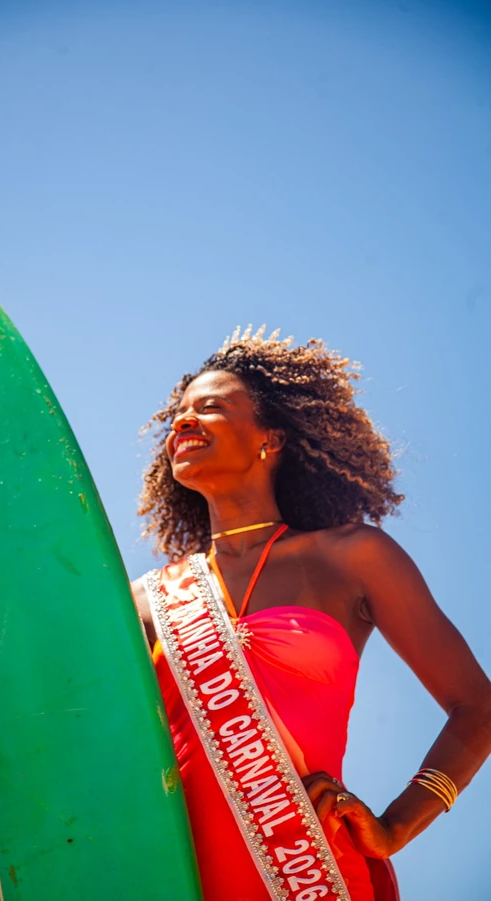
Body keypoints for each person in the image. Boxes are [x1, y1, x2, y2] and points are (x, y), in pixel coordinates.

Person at [131, 326, 491, 901]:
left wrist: (398, 824)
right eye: (178, 413)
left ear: (269, 440)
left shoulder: (354, 556)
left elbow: (479, 708)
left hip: (311, 871)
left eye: (211, 407)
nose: (182, 422)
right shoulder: (148, 600)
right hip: (177, 877)